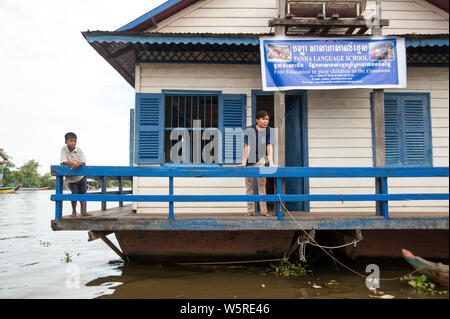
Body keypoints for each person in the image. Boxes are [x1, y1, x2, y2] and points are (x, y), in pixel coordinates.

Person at [236, 110, 276, 217]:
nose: (265, 121)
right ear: (257, 120)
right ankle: (250, 210)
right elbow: (247, 147)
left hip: (262, 159)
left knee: (262, 184)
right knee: (249, 185)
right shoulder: (249, 130)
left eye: (267, 119)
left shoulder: (269, 130)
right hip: (249, 160)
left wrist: (271, 162)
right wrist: (244, 162)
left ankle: (264, 211)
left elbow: (269, 146)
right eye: (263, 119)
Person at [60, 132, 91, 217]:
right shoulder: (64, 149)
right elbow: (63, 161)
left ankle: (84, 212)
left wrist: (78, 164)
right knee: (74, 194)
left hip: (81, 176)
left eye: (74, 141)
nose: (72, 143)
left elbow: (83, 162)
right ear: (66, 142)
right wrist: (71, 163)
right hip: (71, 178)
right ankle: (74, 211)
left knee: (83, 194)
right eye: (70, 141)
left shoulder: (79, 150)